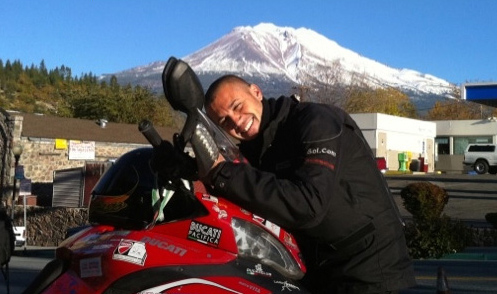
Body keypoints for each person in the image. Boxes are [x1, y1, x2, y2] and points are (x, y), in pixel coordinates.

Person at [201, 74, 416, 294]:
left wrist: (223, 173)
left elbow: (308, 204)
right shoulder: (261, 148)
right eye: (224, 121)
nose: (236, 121)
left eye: (237, 106)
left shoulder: (315, 121)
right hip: (322, 268)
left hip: (368, 268)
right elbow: (256, 193)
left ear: (256, 92)